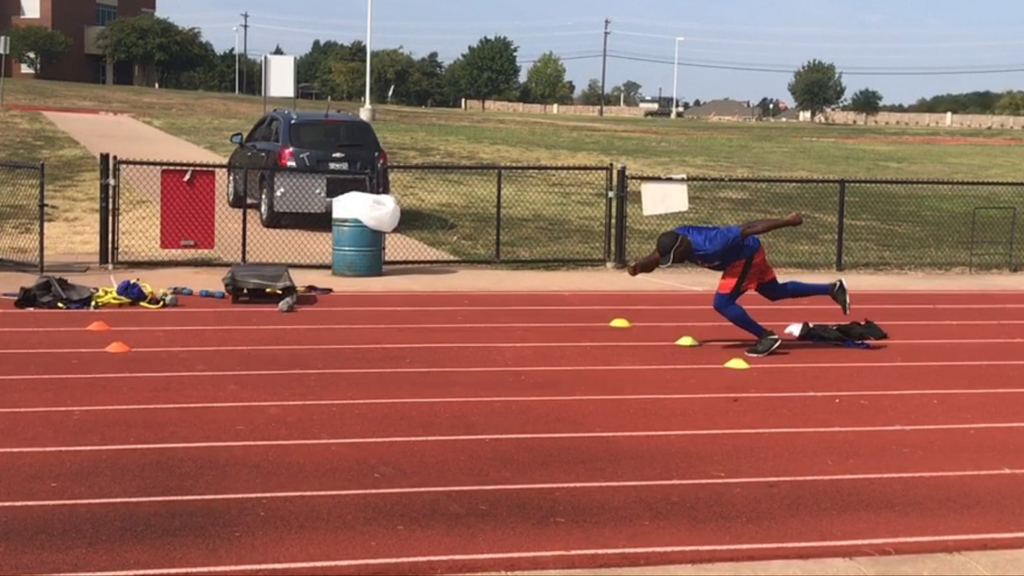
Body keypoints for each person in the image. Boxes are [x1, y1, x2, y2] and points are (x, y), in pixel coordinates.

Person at [627, 212, 850, 357]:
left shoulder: (713, 242)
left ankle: (766, 337)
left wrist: (787, 222)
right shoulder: (674, 241)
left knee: (722, 302)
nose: (673, 262)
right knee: (774, 292)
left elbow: (749, 227)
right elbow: (653, 259)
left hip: (746, 255)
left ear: (682, 246)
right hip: (743, 257)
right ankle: (832, 288)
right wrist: (638, 267)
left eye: (674, 257)